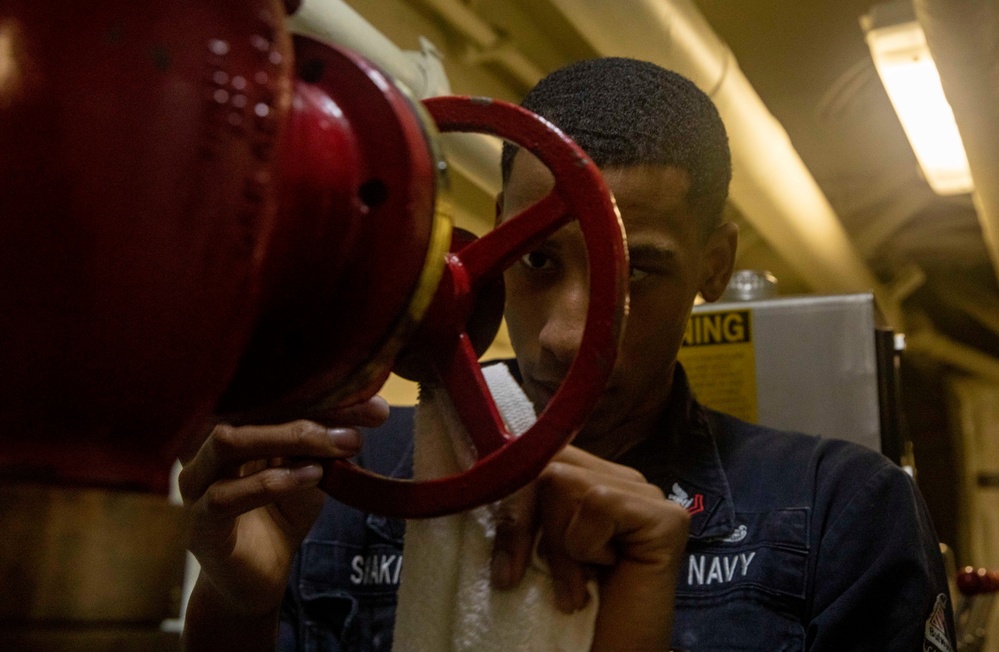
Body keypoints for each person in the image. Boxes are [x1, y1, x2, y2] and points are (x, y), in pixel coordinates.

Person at [180, 57, 956, 651]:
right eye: (537, 262)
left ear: (713, 267)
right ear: (490, 241)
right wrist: (241, 601)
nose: (561, 335)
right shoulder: (348, 482)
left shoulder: (839, 511)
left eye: (638, 270)